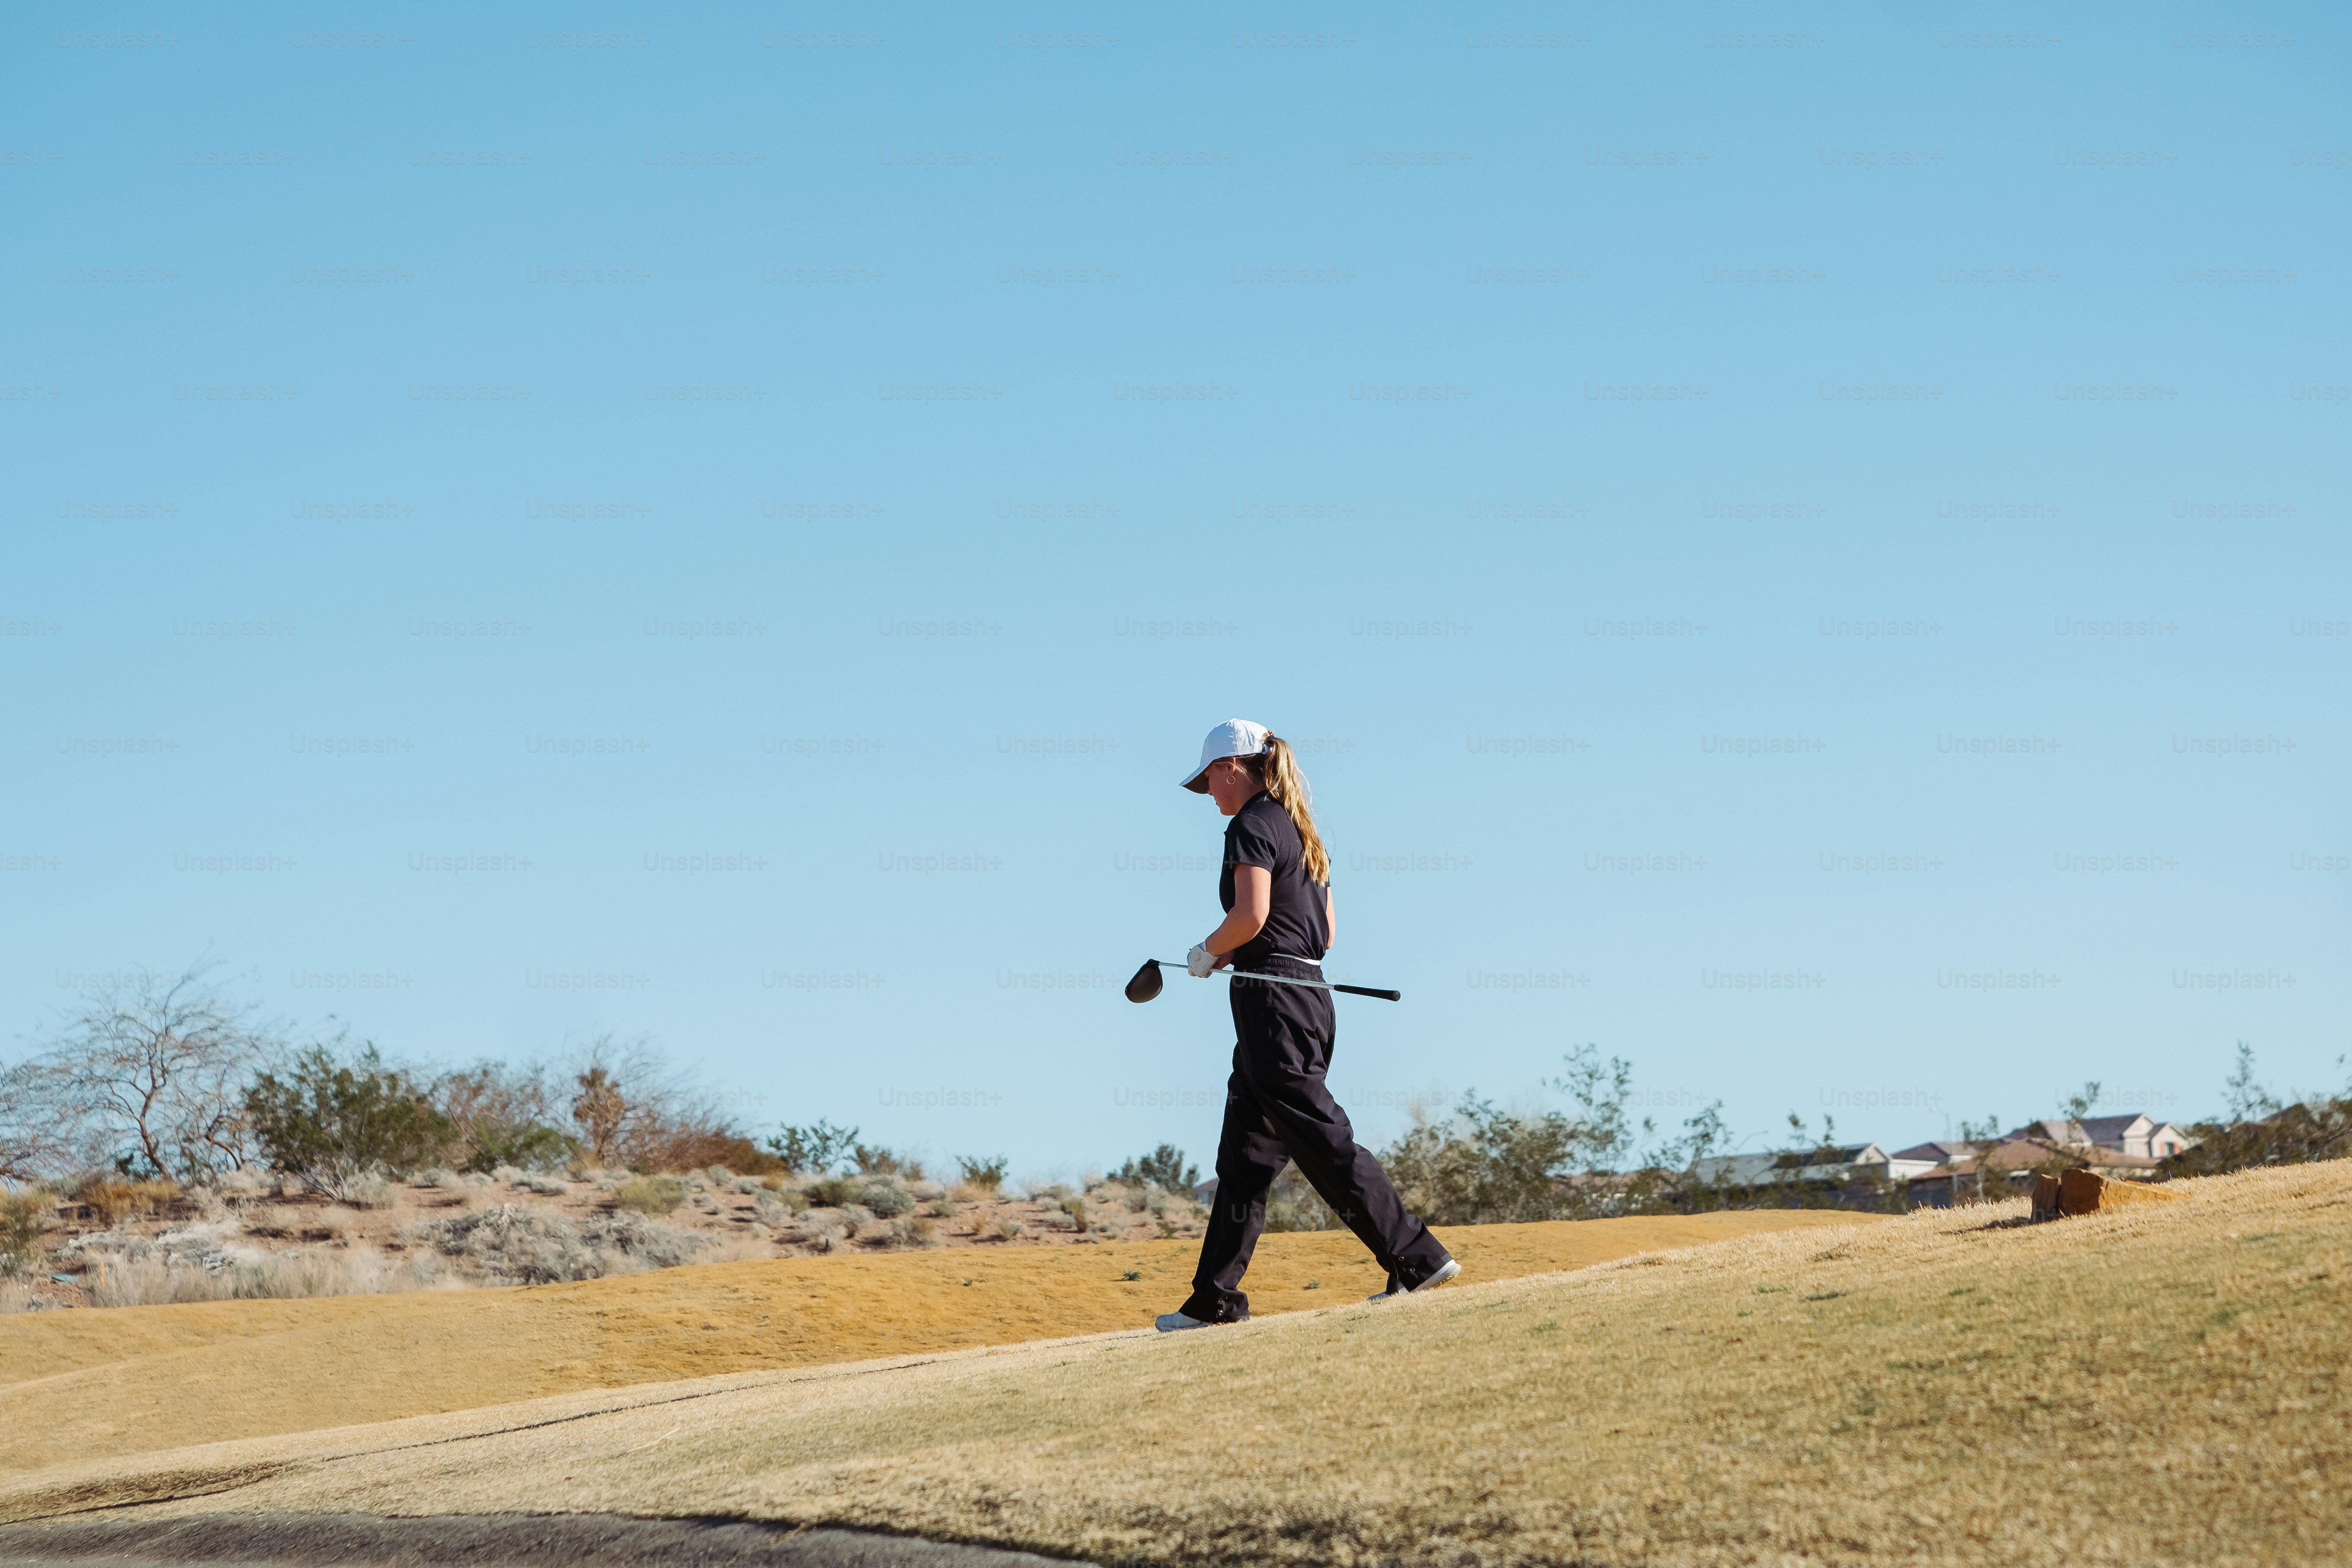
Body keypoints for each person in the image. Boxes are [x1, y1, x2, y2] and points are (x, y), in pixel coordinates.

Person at [1155, 718, 1460, 1332]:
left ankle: (1418, 1258)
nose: (1208, 793)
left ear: (1233, 767)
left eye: (1210, 779)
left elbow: (1251, 915)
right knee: (1244, 1158)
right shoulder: (1300, 827)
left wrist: (1209, 950)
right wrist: (1241, 952)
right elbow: (1325, 931)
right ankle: (1214, 1302)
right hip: (1305, 993)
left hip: (1274, 1003)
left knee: (1322, 1138)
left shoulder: (1250, 824)